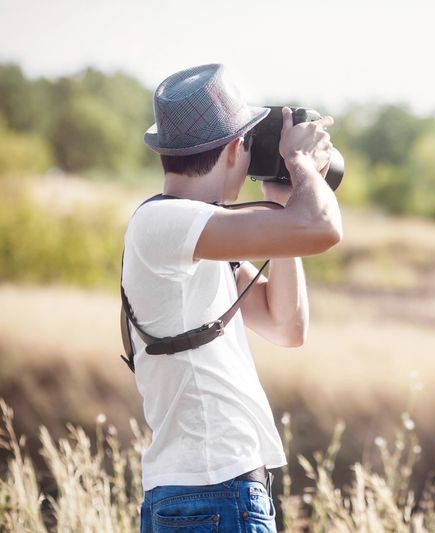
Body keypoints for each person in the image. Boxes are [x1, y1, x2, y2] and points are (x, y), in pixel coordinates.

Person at [123, 64, 342, 533]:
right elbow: (323, 229)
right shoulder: (167, 223)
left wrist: (284, 201)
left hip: (209, 490)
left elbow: (287, 327)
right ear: (236, 147)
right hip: (213, 489)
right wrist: (302, 166)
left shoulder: (195, 239)